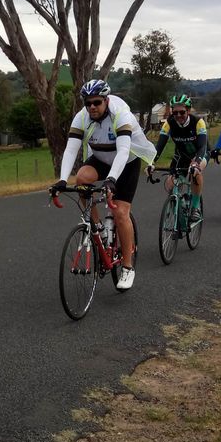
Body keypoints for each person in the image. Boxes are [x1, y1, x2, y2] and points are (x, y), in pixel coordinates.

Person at [50, 79, 156, 291]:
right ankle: (96, 225)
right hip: (100, 157)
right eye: (88, 103)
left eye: (97, 102)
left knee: (120, 213)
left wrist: (111, 180)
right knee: (81, 179)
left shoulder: (121, 114)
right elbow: (71, 149)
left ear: (106, 101)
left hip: (126, 162)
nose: (92, 107)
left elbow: (124, 151)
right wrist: (62, 180)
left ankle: (127, 267)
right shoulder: (82, 117)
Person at [146, 93, 208, 221]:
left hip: (200, 153)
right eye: (175, 113)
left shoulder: (198, 122)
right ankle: (178, 203)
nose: (178, 116)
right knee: (170, 183)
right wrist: (151, 162)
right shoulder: (169, 123)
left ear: (188, 110)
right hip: (181, 155)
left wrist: (196, 162)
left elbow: (202, 146)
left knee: (196, 174)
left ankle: (195, 208)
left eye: (182, 112)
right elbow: (160, 146)